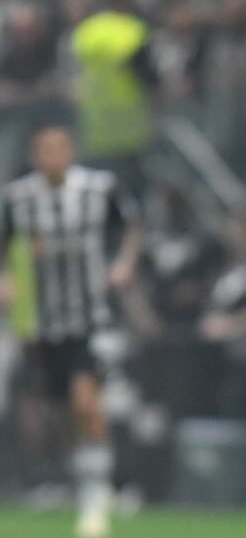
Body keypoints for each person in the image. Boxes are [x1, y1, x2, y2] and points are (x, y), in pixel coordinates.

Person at [0, 125, 142, 538]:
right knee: (56, 414)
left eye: (59, 148)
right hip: (40, 323)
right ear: (34, 154)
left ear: (71, 151)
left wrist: (124, 264)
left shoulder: (98, 189)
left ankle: (96, 499)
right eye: (44, 149)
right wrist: (7, 279)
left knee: (86, 403)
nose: (52, 156)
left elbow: (132, 224)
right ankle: (82, 479)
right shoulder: (18, 199)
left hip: (90, 318)